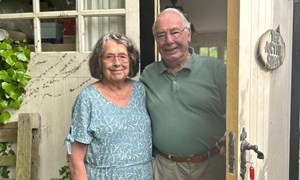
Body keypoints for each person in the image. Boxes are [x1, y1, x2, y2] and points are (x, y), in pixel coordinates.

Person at [140, 8, 226, 180]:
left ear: (188, 35)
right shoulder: (148, 75)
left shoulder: (216, 69)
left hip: (212, 166)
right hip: (166, 169)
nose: (168, 40)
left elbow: (239, 115)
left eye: (175, 32)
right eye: (161, 35)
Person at [65, 32, 153, 180]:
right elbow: (76, 160)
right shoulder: (88, 99)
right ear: (99, 62)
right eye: (109, 57)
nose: (117, 63)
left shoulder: (141, 91)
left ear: (131, 60)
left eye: (122, 56)